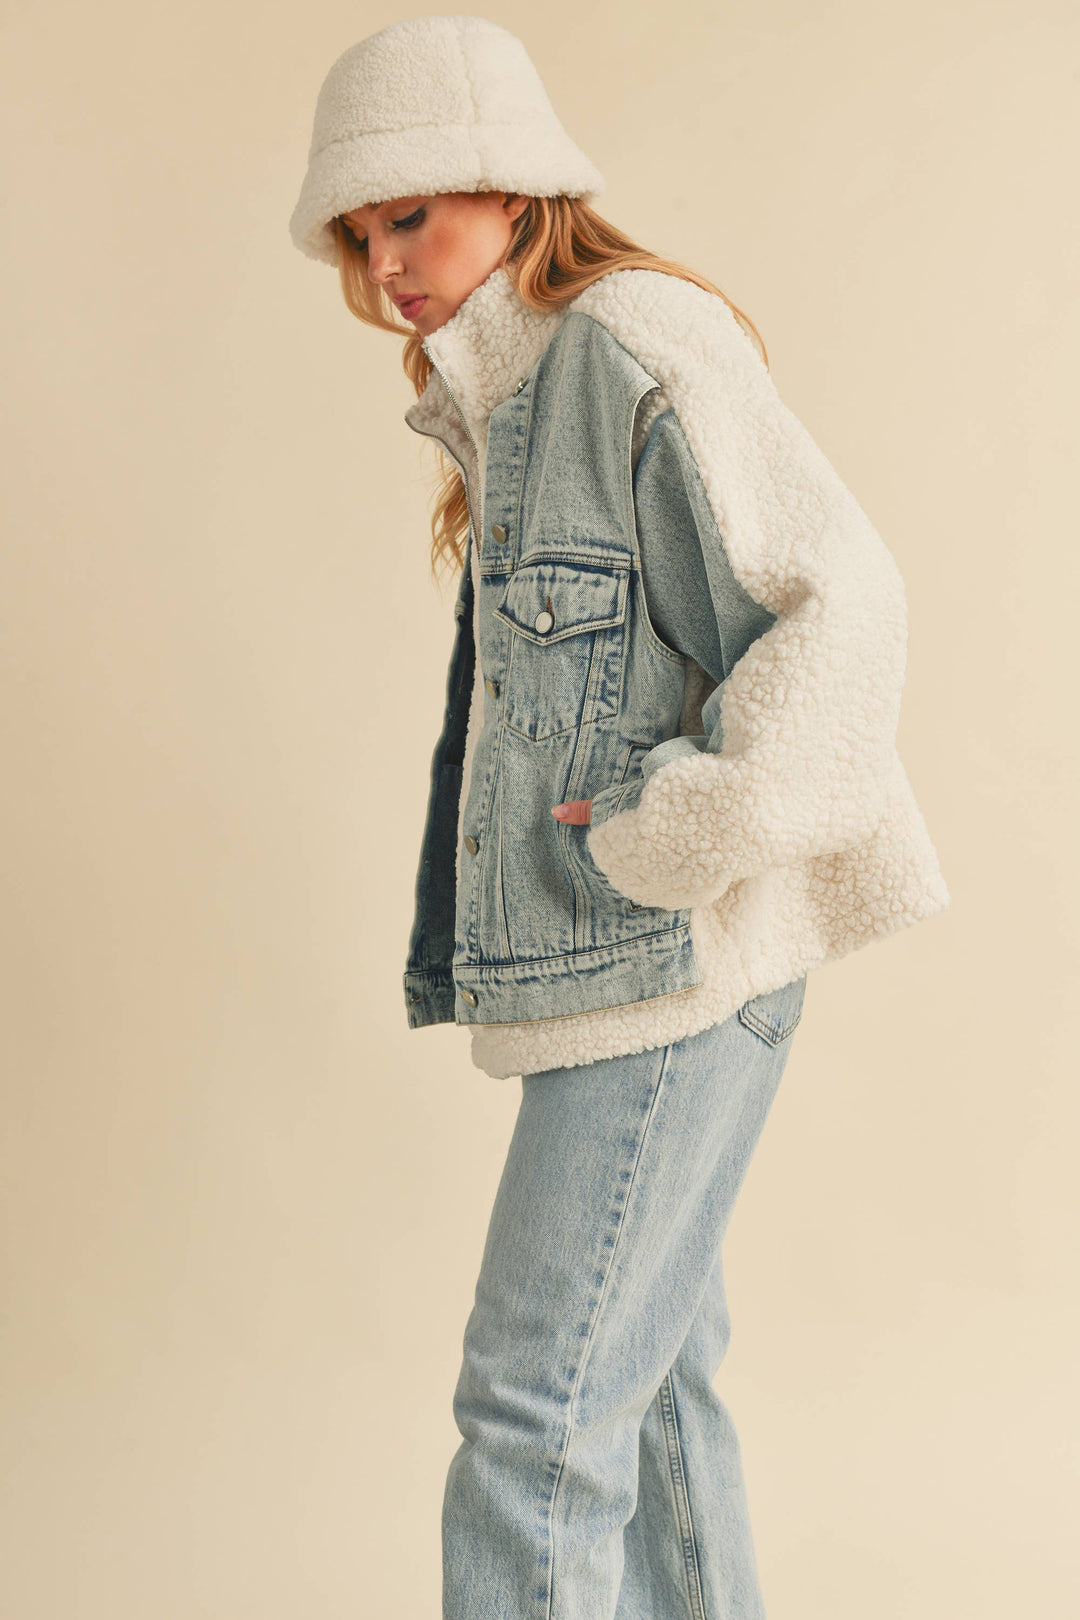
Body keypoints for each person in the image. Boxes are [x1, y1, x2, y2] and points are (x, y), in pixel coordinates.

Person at [290, 17, 950, 1617]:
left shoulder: (630, 343)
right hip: (640, 968)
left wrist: (683, 829)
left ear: (513, 189)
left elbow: (849, 600)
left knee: (533, 1421)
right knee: (644, 1401)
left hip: (676, 970)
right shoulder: (511, 398)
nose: (386, 267)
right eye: (360, 236)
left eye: (411, 217)